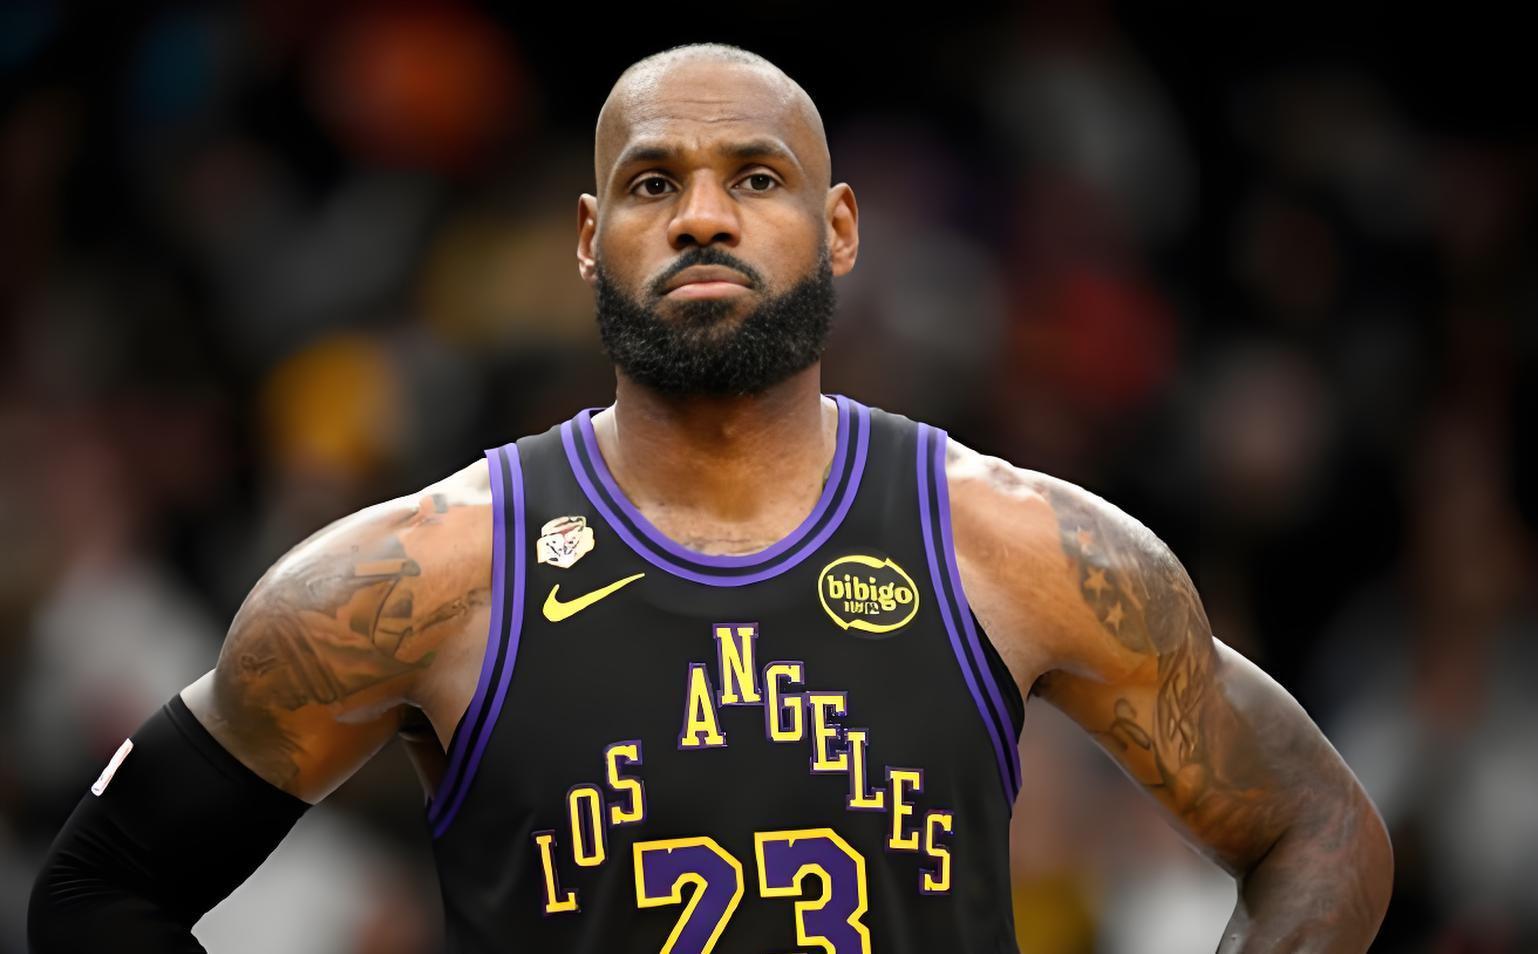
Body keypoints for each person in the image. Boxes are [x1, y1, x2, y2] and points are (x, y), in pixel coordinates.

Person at [28, 42, 1392, 954]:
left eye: (755, 177)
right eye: (651, 183)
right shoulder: (421, 574)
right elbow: (98, 888)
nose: (701, 216)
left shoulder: (1019, 542)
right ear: (588, 240)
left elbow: (1321, 831)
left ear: (839, 229)